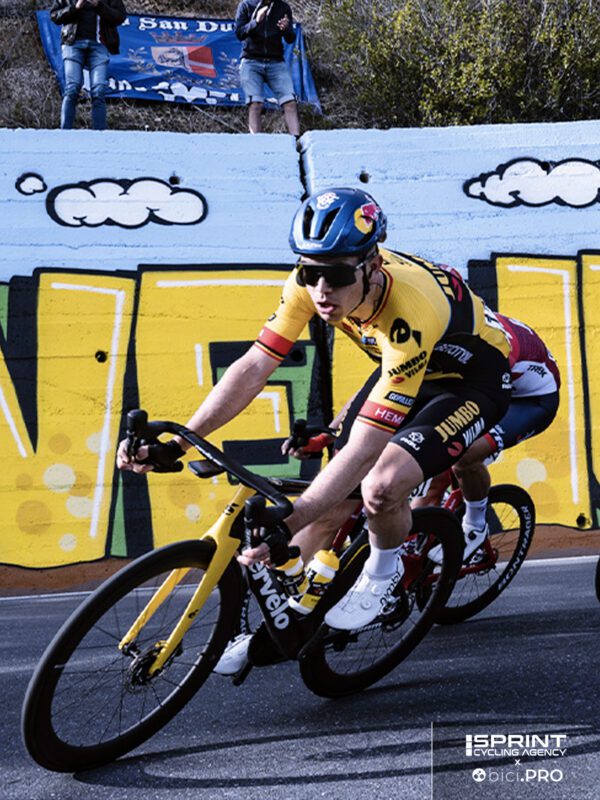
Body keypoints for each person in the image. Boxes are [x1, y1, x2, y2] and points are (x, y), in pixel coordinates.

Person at [116, 186, 512, 663]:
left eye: (337, 275)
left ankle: (383, 576)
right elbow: (254, 366)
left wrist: (290, 520)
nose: (322, 290)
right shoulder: (311, 285)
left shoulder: (409, 310)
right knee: (329, 503)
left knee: (380, 485)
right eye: (309, 272)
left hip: (471, 384)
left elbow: (365, 450)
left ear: (372, 265)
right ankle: (290, 622)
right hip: (407, 372)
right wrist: (182, 440)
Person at [412, 312, 560, 563]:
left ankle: (476, 528)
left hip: (530, 402)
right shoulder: (440, 321)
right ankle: (415, 542)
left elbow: (483, 400)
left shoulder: (493, 344)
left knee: (464, 456)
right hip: (490, 386)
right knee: (426, 455)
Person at [50, 0, 127, 131]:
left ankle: (99, 135)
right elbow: (54, 15)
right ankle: (64, 133)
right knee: (72, 88)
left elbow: (120, 17)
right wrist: (75, 7)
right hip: (72, 44)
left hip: (99, 45)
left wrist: (99, 5)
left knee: (98, 91)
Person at [234, 0, 300, 136]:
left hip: (276, 62)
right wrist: (256, 22)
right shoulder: (246, 5)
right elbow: (239, 33)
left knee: (290, 102)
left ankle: (296, 140)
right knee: (255, 104)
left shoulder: (283, 7)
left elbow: (290, 38)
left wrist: (286, 29)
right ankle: (256, 142)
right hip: (251, 61)